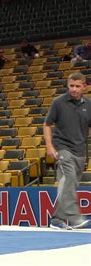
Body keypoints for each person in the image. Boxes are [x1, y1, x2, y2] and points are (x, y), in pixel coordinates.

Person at [44, 72, 91, 230]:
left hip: (81, 150)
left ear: (84, 87)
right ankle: (74, 217)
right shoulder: (59, 102)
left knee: (68, 185)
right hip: (63, 148)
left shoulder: (89, 105)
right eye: (71, 86)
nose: (74, 89)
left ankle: (57, 219)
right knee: (69, 178)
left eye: (78, 86)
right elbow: (47, 124)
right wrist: (50, 146)